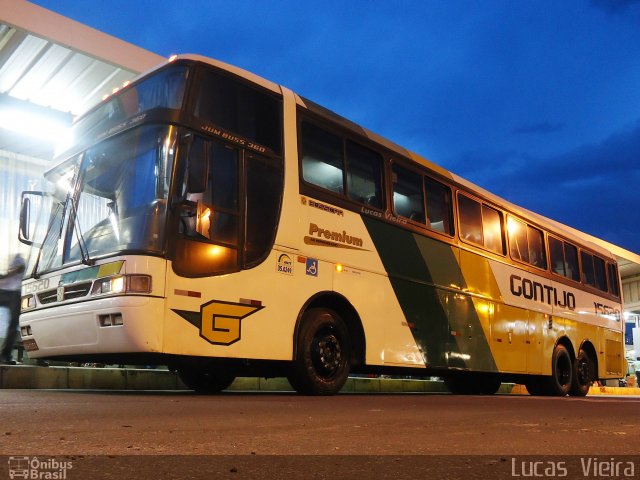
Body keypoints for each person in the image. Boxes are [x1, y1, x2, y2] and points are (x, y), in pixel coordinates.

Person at [0, 254, 26, 365]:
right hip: (5, 290)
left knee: (14, 323)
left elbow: (22, 269)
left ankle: (5, 355)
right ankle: (5, 355)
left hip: (15, 291)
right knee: (13, 323)